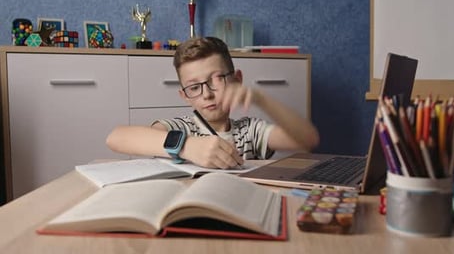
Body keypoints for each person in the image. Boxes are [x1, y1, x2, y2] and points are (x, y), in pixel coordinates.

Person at [106, 36, 319, 169]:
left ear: (237, 80)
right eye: (194, 87)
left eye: (215, 80)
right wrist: (186, 146)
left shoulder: (250, 131)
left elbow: (307, 139)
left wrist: (261, 99)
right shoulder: (182, 128)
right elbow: (116, 138)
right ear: (185, 96)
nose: (206, 94)